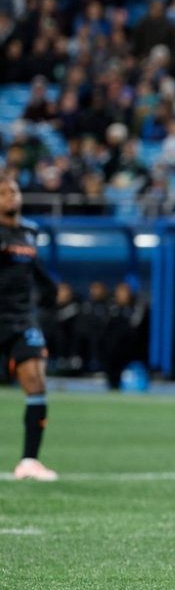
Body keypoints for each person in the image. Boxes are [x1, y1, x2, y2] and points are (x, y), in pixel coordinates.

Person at [0, 175, 59, 481]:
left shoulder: (29, 231)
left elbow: (33, 267)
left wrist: (51, 290)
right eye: (4, 193)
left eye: (14, 190)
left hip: (22, 319)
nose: (11, 196)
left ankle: (29, 461)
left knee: (36, 381)